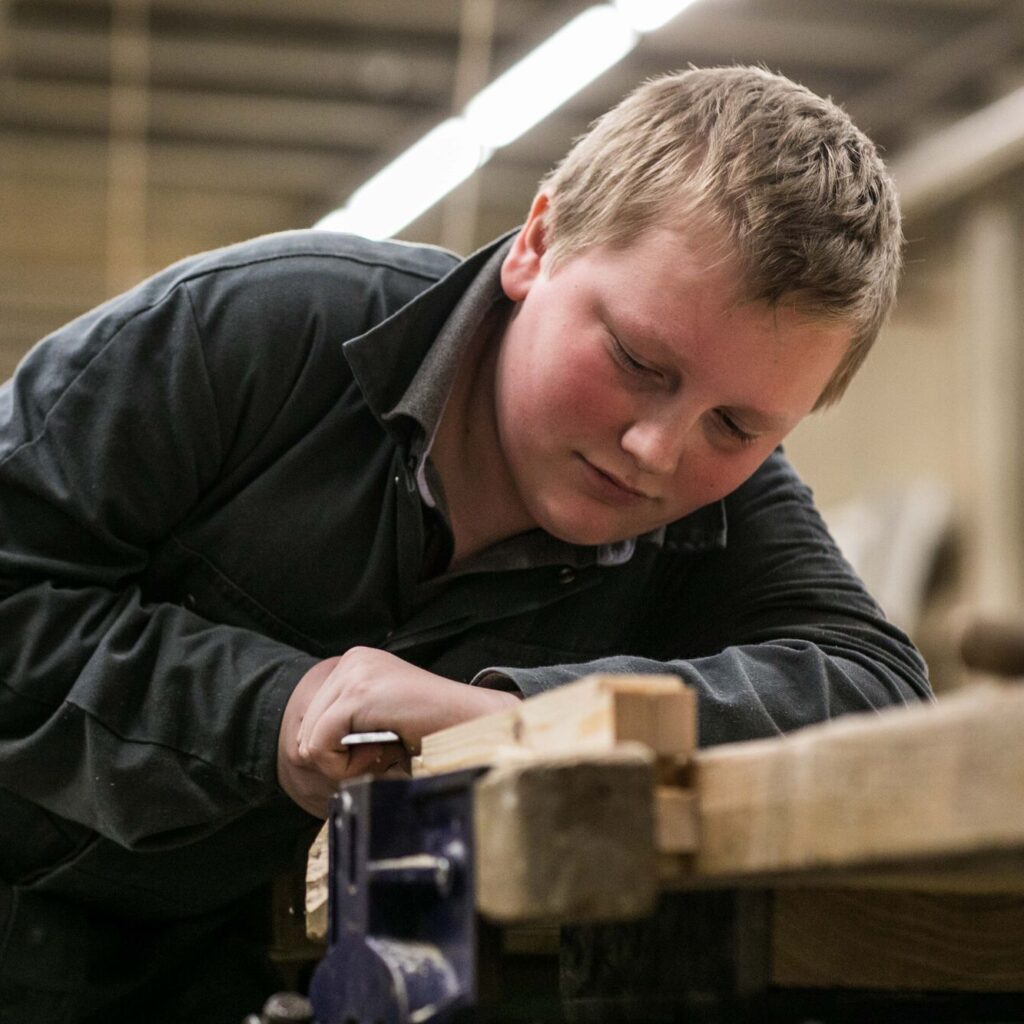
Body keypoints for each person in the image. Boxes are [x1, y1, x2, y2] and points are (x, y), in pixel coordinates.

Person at [0, 65, 930, 1021]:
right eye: (636, 362)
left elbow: (877, 691)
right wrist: (276, 706)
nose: (659, 451)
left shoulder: (722, 505)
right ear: (536, 243)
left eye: (736, 427)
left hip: (226, 974)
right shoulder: (243, 334)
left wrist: (510, 718)